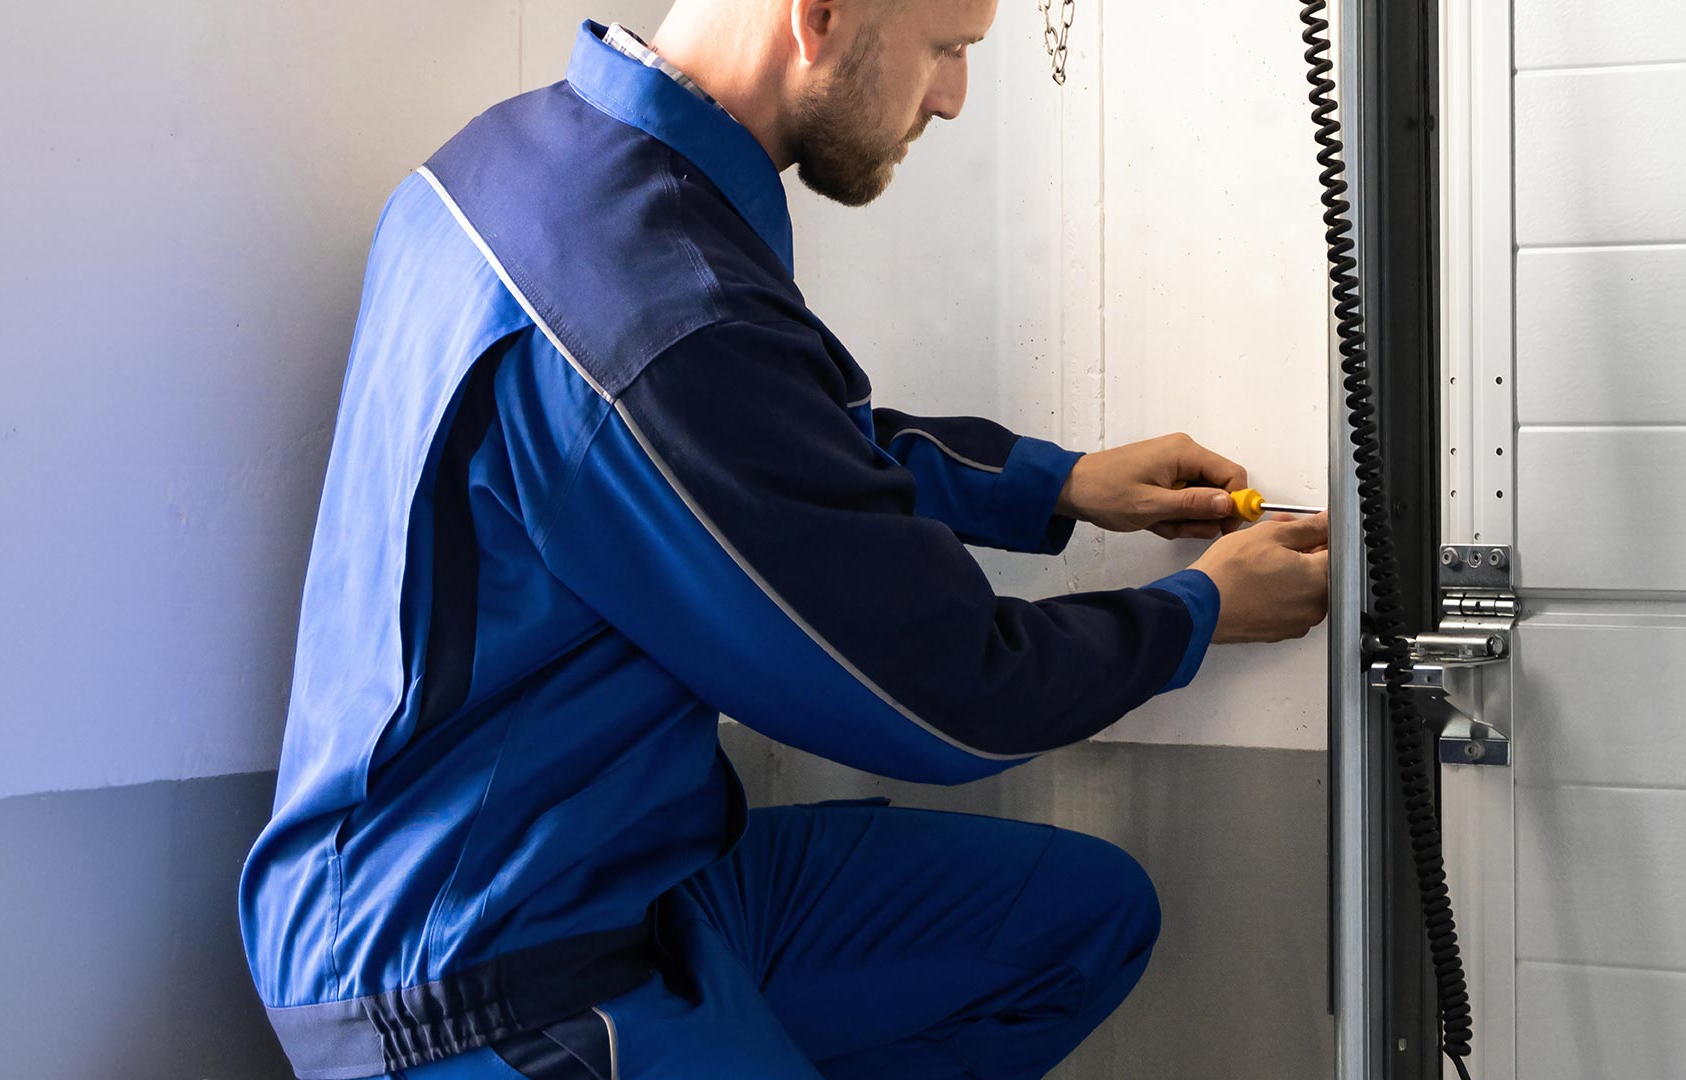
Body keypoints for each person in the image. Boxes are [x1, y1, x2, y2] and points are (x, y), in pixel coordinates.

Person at [238, 2, 1330, 1078]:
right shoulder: (657, 306)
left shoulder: (517, 164)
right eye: (947, 49)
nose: (953, 97)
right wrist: (1200, 613)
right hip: (487, 969)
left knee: (1077, 922)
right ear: (818, 15)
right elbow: (950, 697)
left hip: (634, 873)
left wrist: (1059, 488)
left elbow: (776, 451)